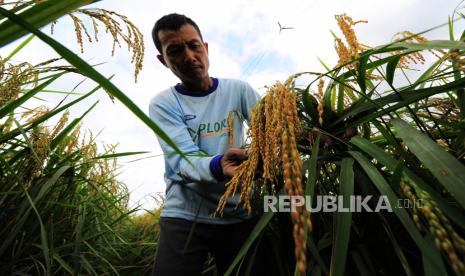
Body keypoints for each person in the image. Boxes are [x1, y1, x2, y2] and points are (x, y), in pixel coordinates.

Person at [148, 13, 267, 275]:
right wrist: (219, 164)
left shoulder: (239, 91)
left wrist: (318, 133)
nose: (189, 57)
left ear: (206, 48)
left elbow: (273, 132)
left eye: (194, 46)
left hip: (239, 212)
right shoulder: (163, 104)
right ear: (163, 60)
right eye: (175, 51)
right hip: (185, 215)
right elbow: (181, 158)